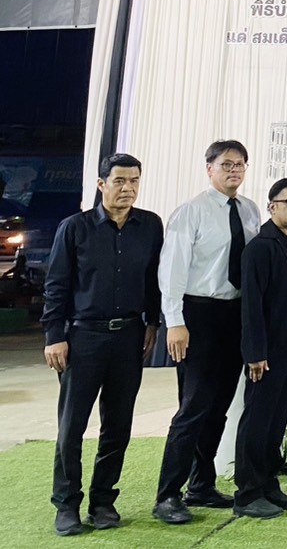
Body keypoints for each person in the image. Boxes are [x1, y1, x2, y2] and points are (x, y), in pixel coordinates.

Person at [43, 153, 162, 537]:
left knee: (118, 426)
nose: (127, 188)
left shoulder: (150, 226)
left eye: (134, 181)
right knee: (72, 426)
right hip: (83, 338)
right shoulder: (74, 228)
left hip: (129, 337)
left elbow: (153, 282)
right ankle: (66, 505)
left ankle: (103, 501)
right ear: (100, 185)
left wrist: (153, 323)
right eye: (119, 181)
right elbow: (56, 285)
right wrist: (54, 336)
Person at [154, 139, 262, 525]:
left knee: (219, 406)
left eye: (240, 165)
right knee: (193, 407)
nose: (234, 171)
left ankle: (201, 484)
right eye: (227, 164)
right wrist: (175, 321)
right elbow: (172, 271)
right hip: (197, 315)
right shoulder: (191, 212)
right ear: (209, 168)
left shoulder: (249, 210)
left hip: (235, 314)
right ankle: (168, 495)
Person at [234, 177, 287, 520]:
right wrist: (255, 352)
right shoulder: (260, 247)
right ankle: (247, 492)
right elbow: (251, 305)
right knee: (258, 419)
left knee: (278, 418)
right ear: (272, 206)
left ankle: (268, 484)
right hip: (266, 350)